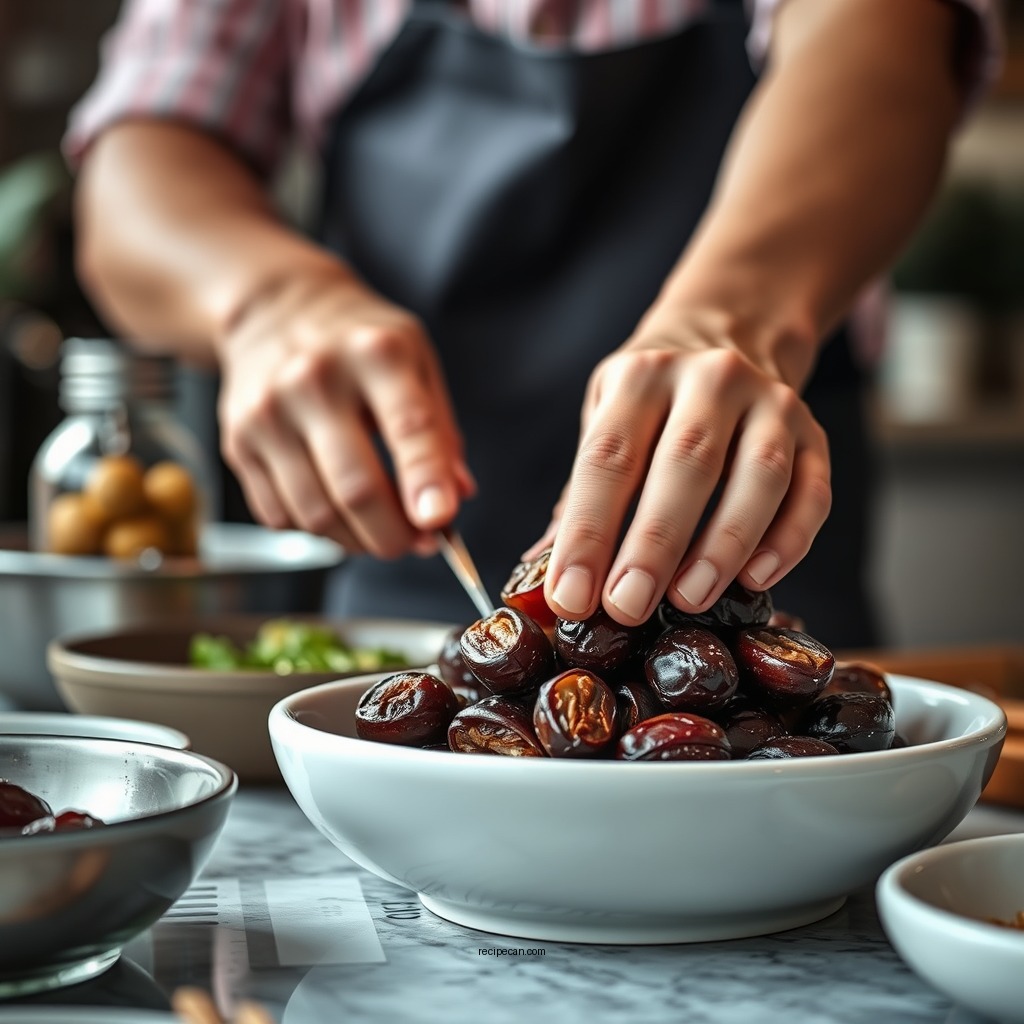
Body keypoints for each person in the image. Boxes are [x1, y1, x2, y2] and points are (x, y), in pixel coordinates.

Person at [66, 0, 998, 648]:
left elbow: (885, 43)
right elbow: (143, 151)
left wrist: (730, 319)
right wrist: (269, 304)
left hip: (762, 604)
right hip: (404, 594)